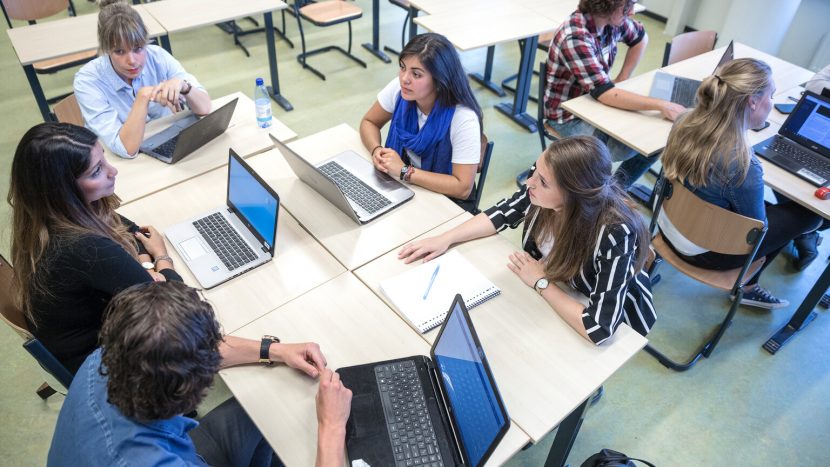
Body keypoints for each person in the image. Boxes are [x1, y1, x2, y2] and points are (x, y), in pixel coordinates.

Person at [48, 281, 352, 467]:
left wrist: (273, 350)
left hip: (159, 445)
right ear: (194, 390)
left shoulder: (109, 355)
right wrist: (332, 426)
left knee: (266, 407)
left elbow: (182, 353)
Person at [399, 136, 655, 344]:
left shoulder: (614, 233)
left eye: (542, 181)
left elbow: (599, 327)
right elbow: (500, 214)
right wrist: (446, 238)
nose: (529, 182)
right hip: (557, 287)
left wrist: (541, 282)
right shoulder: (539, 193)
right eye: (535, 169)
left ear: (573, 195)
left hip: (593, 307)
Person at [8, 122, 181, 374]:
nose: (113, 171)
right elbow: (175, 306)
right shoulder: (84, 247)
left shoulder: (47, 217)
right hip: (106, 368)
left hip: (100, 330)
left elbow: (130, 229)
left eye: (104, 159)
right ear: (63, 189)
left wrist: (143, 263)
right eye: (96, 171)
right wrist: (162, 259)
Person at [659, 58, 823, 308]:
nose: (771, 103)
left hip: (666, 226)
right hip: (706, 254)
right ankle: (747, 287)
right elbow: (755, 232)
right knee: (810, 216)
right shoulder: (743, 164)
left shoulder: (685, 120)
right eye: (771, 96)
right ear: (752, 101)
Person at [543, 0, 685, 186]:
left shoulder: (611, 22)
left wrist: (623, 77)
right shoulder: (576, 37)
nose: (632, 12)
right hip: (568, 117)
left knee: (659, 137)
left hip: (594, 103)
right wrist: (660, 104)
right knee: (636, 146)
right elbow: (606, 94)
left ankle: (616, 189)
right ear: (607, 6)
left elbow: (641, 38)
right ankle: (603, 192)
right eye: (628, 6)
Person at [360, 33, 483, 212]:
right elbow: (369, 122)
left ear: (440, 80)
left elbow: (462, 188)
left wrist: (404, 172)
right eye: (402, 67)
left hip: (446, 203)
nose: (404, 78)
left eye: (416, 74)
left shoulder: (463, 118)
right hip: (405, 188)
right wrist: (376, 150)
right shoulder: (400, 89)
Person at [74, 0, 212, 158]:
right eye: (120, 52)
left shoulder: (157, 56)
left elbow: (205, 108)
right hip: (121, 162)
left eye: (138, 48)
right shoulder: (87, 81)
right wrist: (143, 97)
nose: (132, 60)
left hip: (163, 144)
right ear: (106, 49)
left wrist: (185, 87)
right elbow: (126, 148)